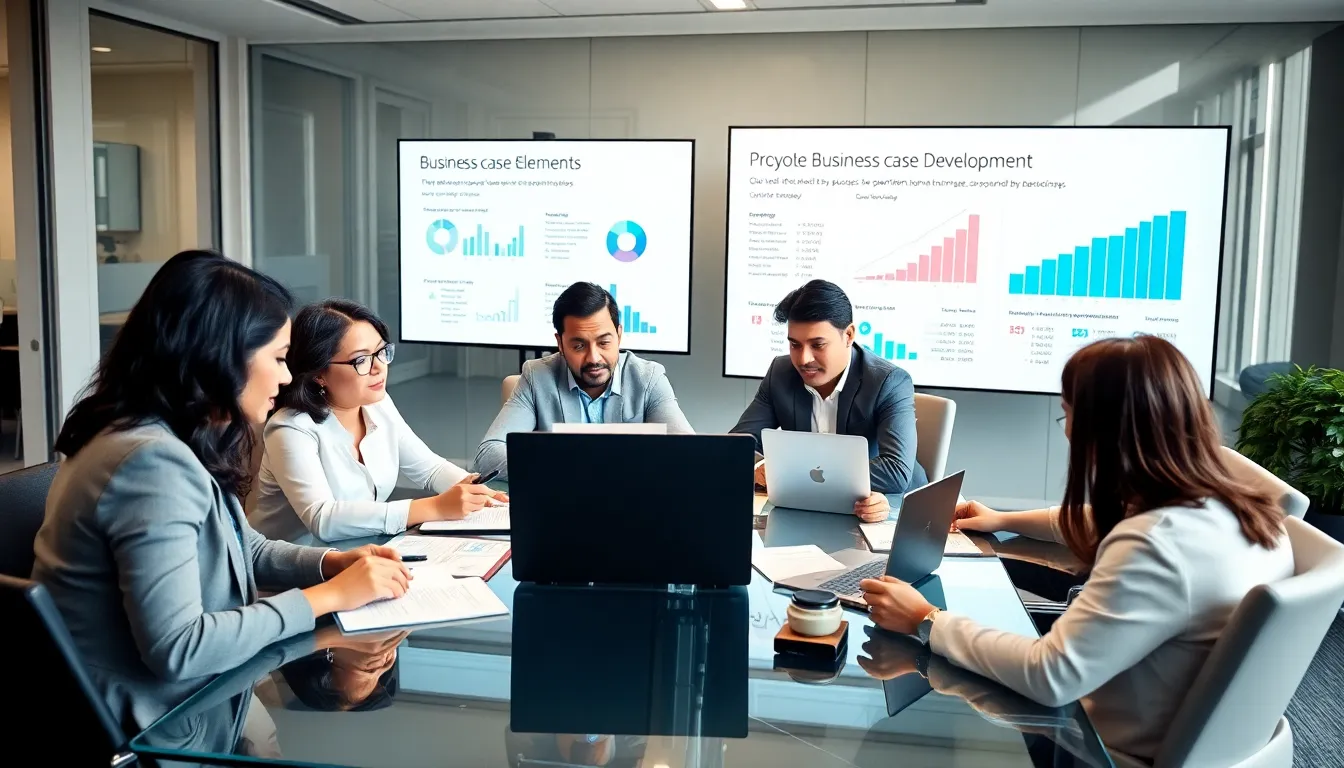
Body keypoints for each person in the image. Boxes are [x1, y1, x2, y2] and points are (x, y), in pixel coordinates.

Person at [31, 250, 414, 733]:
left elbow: (241, 544)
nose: (284, 376)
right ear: (219, 357)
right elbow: (180, 648)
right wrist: (330, 597)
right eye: (277, 358)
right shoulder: (149, 462)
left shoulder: (171, 433)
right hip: (153, 723)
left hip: (200, 699)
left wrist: (329, 565)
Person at [858, 335, 1291, 762]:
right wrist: (1003, 520)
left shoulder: (1156, 545)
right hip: (1163, 717)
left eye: (1067, 416)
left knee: (913, 727)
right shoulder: (1239, 509)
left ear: (1101, 429)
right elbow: (1106, 517)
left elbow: (1051, 676)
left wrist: (925, 619)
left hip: (1094, 745)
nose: (1066, 432)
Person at [250, 299, 504, 541]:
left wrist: (480, 493)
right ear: (319, 374)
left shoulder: (377, 404)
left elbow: (431, 470)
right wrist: (435, 507)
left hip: (360, 552)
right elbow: (322, 518)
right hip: (288, 568)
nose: (378, 367)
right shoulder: (291, 428)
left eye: (381, 352)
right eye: (361, 359)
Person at [730, 279, 927, 522]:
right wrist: (760, 469)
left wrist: (789, 473)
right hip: (809, 512)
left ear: (849, 335)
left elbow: (895, 471)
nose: (804, 359)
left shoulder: (889, 381)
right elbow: (737, 446)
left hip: (888, 511)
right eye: (795, 345)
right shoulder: (780, 373)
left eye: (818, 345)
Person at [475, 282, 694, 480]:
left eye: (604, 343)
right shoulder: (536, 376)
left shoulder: (649, 379)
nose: (594, 358)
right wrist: (570, 469)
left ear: (619, 335)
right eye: (579, 346)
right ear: (560, 343)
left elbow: (690, 453)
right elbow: (488, 455)